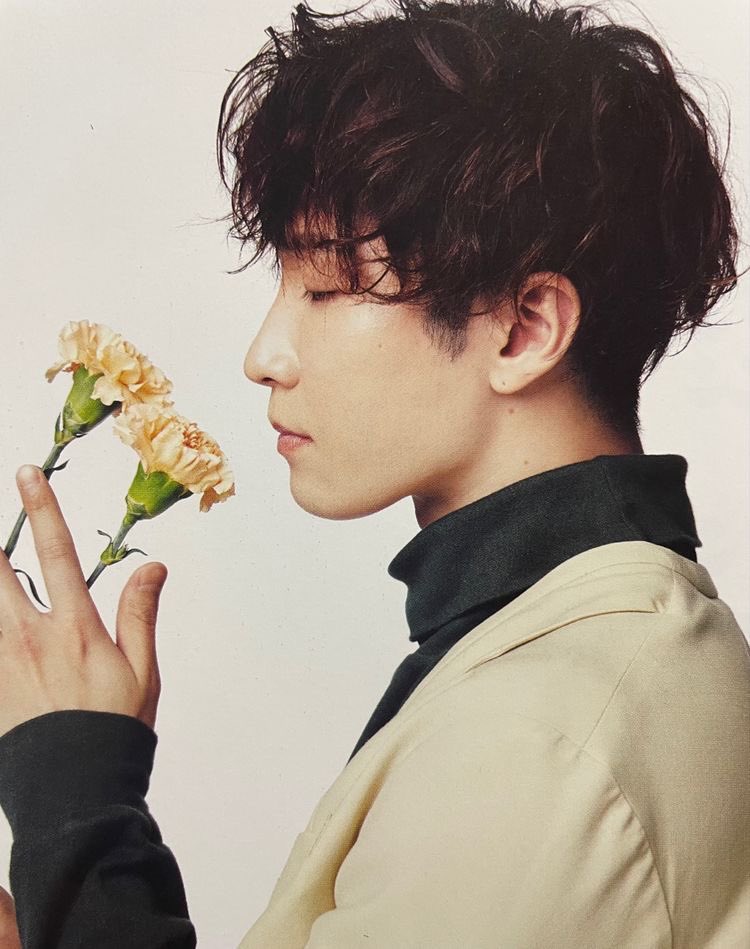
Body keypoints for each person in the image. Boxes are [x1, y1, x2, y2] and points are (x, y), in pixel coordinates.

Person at [0, 0, 748, 946]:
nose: (264, 354)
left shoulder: (538, 735)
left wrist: (74, 789)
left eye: (325, 288)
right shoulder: (605, 644)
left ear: (525, 329)